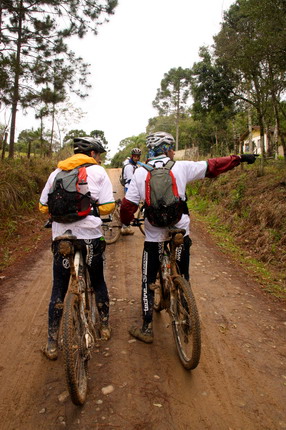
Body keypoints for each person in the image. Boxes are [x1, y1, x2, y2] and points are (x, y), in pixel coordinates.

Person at [120, 131, 257, 343]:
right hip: (180, 228)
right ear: (165, 149)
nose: (174, 151)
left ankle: (146, 328)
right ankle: (186, 314)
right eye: (171, 147)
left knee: (147, 279)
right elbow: (212, 166)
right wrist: (238, 159)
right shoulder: (181, 167)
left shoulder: (139, 172)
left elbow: (129, 205)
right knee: (183, 274)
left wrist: (127, 221)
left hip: (155, 231)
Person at [39, 136, 115, 360]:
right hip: (90, 236)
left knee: (59, 287)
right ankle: (104, 325)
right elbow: (108, 206)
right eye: (98, 154)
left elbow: (43, 207)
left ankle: (52, 341)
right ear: (92, 154)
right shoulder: (99, 172)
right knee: (98, 279)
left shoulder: (56, 173)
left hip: (62, 237)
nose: (99, 158)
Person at [121, 147, 142, 235]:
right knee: (129, 208)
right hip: (129, 188)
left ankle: (126, 226)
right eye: (135, 157)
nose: (136, 158)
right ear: (132, 156)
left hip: (132, 188)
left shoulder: (135, 166)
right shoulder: (129, 167)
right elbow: (131, 179)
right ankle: (125, 227)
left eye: (138, 157)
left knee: (131, 209)